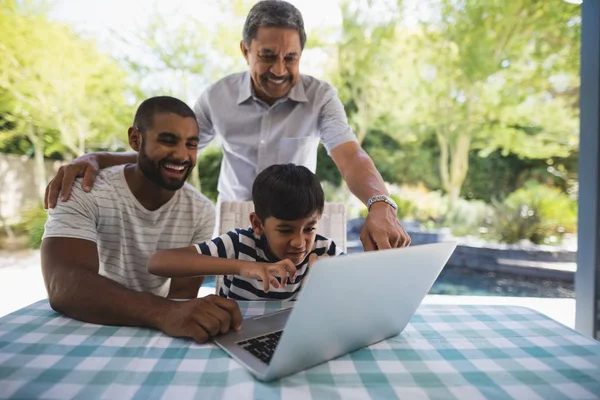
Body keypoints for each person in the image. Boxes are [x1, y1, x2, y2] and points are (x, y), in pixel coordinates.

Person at [44, 0, 411, 251]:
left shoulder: (321, 96)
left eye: (291, 58)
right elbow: (170, 154)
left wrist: (380, 203)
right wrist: (96, 158)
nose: (280, 70)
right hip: (237, 218)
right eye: (267, 56)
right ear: (245, 50)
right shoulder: (216, 97)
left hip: (298, 219)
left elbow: (350, 156)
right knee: (235, 314)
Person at [41, 96, 242, 343]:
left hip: (153, 330)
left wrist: (174, 315)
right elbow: (63, 286)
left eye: (191, 144)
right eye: (168, 141)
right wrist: (164, 312)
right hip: (85, 328)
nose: (182, 155)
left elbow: (181, 298)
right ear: (135, 139)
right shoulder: (83, 190)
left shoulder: (200, 210)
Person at [147, 163, 342, 300]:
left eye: (309, 228)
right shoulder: (239, 244)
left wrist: (335, 279)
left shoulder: (323, 250)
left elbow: (366, 287)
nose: (299, 242)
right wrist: (241, 267)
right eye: (285, 230)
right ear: (258, 224)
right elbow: (158, 263)